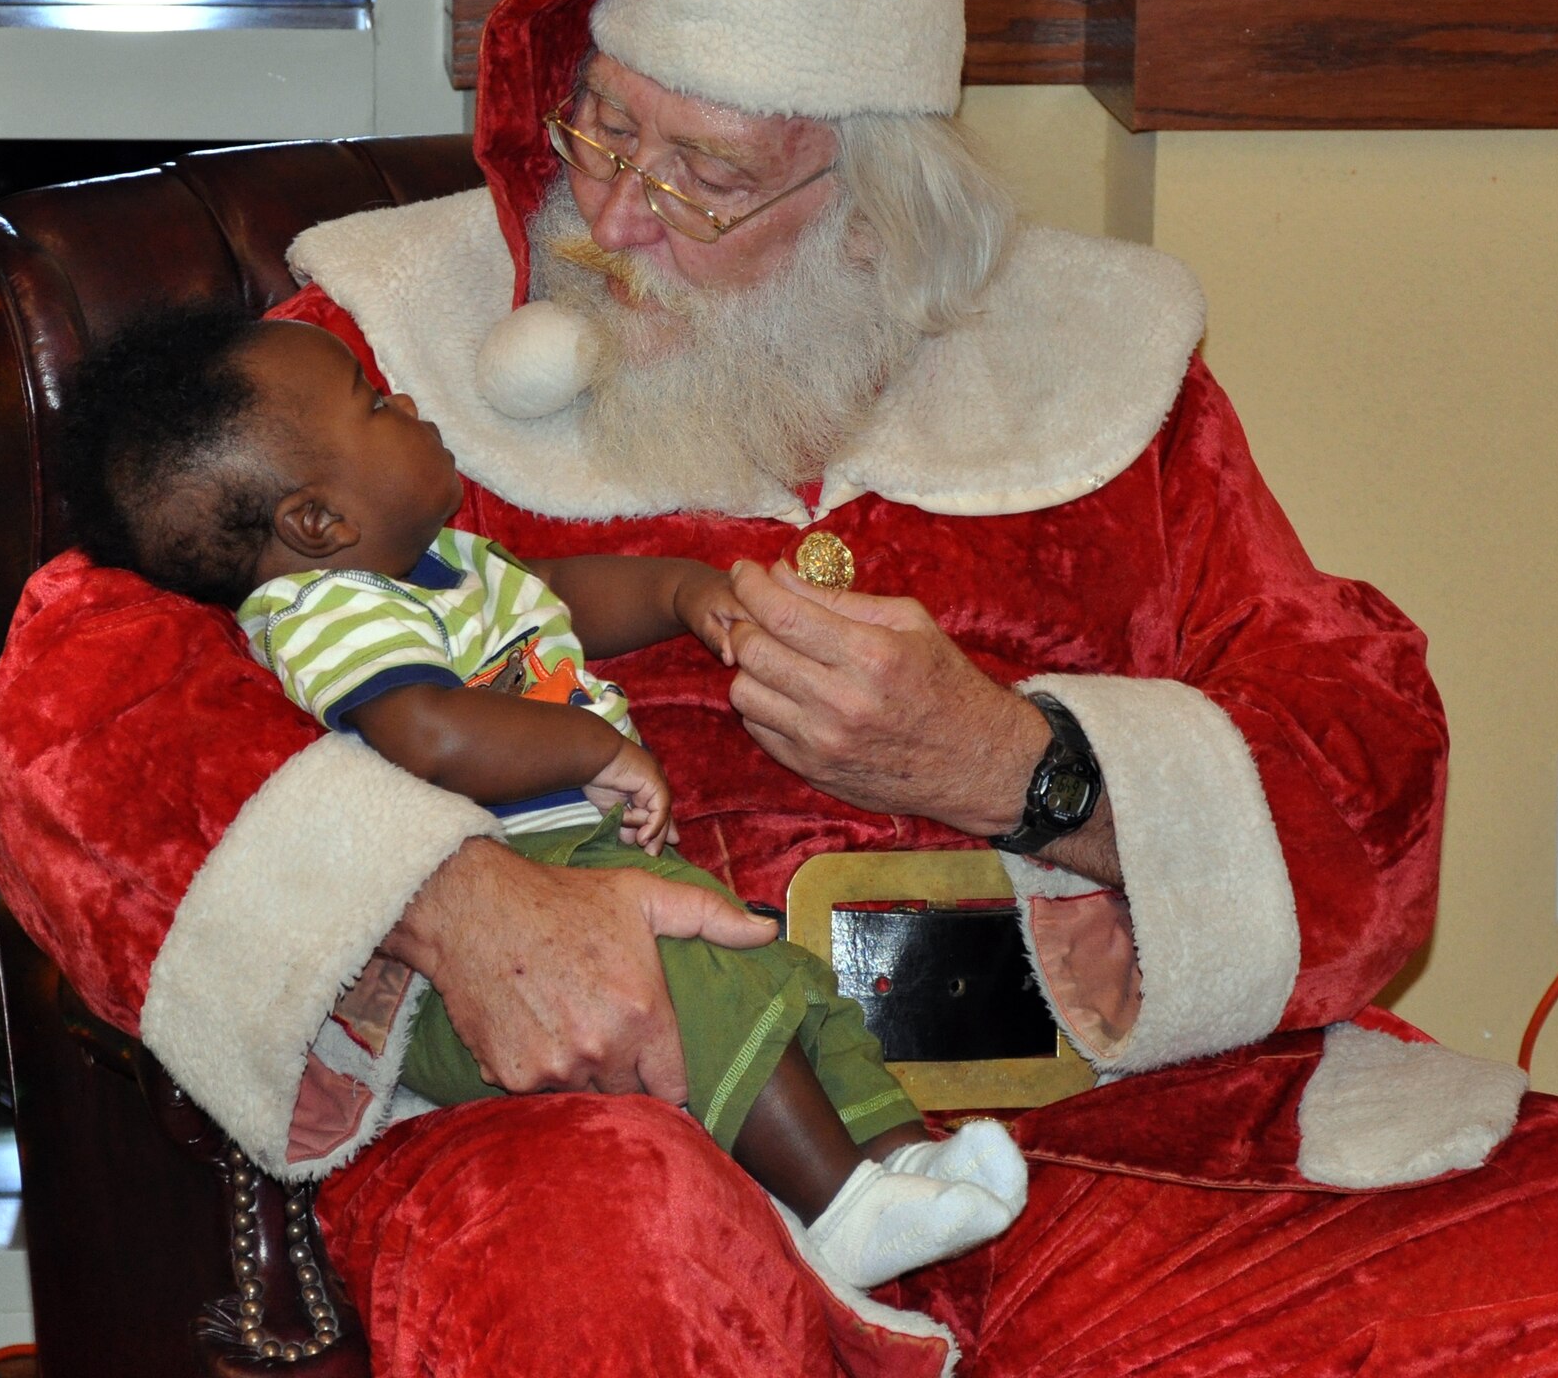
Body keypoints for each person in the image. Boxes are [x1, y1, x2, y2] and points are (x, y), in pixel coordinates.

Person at [0, 0, 1558, 1377]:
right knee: (589, 1260)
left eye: (701, 174)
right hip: (636, 1120)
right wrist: (462, 908)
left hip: (1113, 1128)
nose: (611, 215)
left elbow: (1363, 760)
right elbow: (69, 701)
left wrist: (1034, 773)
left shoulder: (1102, 379)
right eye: (600, 128)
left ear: (875, 200)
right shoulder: (372, 381)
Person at [60, 306, 1025, 1289]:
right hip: (511, 911)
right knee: (712, 982)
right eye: (373, 403)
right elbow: (425, 734)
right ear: (318, 521)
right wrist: (591, 744)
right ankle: (840, 1206)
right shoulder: (326, 607)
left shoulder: (439, 569)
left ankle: (901, 1162)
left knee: (782, 982)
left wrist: (681, 592)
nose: (406, 403)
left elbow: (558, 592)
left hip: (587, 863)